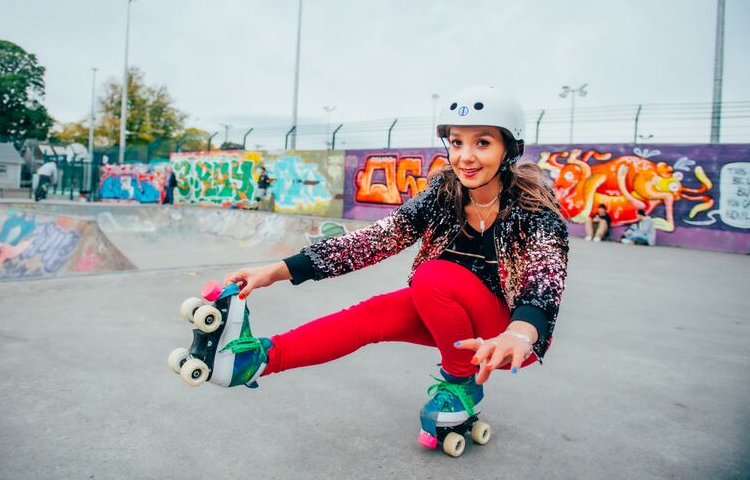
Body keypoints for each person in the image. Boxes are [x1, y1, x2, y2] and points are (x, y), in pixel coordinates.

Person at [211, 86, 569, 448]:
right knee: (368, 317)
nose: (465, 157)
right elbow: (374, 240)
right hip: (449, 315)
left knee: (433, 274)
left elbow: (544, 283)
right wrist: (276, 271)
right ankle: (256, 359)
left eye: (482, 143)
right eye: (457, 143)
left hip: (508, 333)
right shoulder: (443, 195)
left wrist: (520, 334)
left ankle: (461, 386)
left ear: (510, 147)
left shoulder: (532, 208)